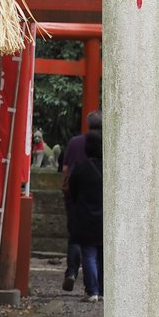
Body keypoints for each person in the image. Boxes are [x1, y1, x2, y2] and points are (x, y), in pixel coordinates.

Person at [60, 110, 102, 292]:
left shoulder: (75, 142)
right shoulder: (110, 143)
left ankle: (71, 272)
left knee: (77, 238)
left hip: (77, 200)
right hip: (101, 201)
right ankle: (97, 287)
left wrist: (69, 194)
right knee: (99, 247)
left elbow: (65, 169)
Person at [67, 130, 103, 301]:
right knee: (104, 255)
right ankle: (103, 290)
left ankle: (92, 291)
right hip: (107, 218)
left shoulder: (80, 168)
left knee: (88, 253)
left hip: (87, 217)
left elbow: (71, 193)